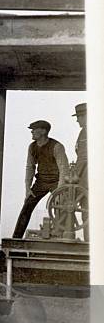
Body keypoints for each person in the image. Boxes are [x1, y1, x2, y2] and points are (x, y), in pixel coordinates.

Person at [13, 120, 69, 239]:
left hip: (57, 182)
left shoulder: (57, 147)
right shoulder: (32, 147)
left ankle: (61, 237)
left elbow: (64, 169)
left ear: (43, 131)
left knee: (60, 208)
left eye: (34, 129)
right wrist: (27, 188)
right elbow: (30, 167)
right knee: (27, 206)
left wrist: (60, 191)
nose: (32, 131)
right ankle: (16, 238)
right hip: (41, 182)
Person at [73, 102, 89, 240]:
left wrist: (73, 178)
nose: (77, 120)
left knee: (87, 212)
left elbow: (83, 157)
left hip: (88, 180)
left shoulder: (86, 132)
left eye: (79, 116)